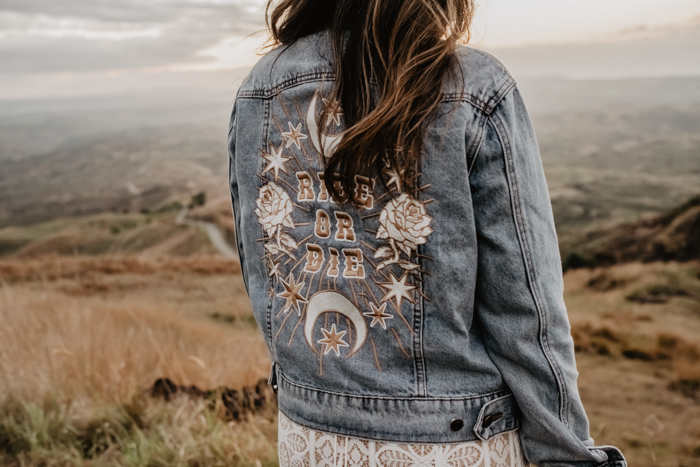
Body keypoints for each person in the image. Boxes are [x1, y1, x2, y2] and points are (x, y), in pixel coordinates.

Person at [228, 1, 627, 466]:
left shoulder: (259, 89)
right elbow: (527, 313)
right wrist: (568, 456)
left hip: (307, 441)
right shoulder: (472, 85)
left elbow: (261, 271)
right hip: (456, 443)